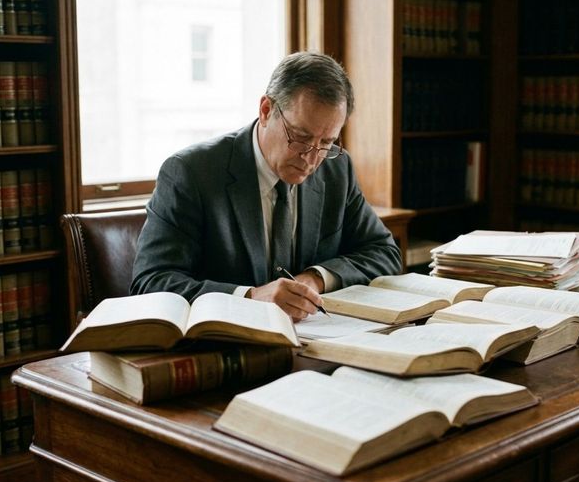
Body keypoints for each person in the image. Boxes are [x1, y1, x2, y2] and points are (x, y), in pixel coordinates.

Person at [131, 51, 402, 320]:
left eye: (326, 143)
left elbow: (384, 253)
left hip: (316, 343)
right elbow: (151, 283)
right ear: (266, 110)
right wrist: (250, 297)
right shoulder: (191, 173)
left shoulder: (336, 170)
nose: (311, 157)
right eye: (299, 136)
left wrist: (316, 278)